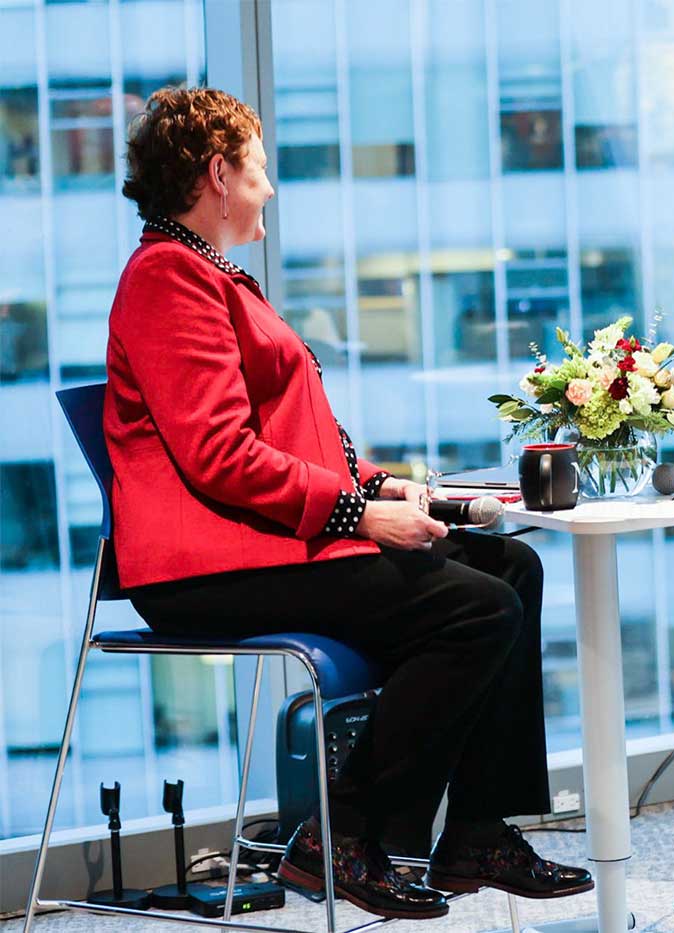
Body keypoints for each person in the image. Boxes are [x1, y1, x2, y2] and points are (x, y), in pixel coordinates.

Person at [105, 87, 591, 920]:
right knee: (474, 611)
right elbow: (220, 456)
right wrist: (359, 515)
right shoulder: (166, 281)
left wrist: (376, 486)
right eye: (259, 168)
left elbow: (282, 438)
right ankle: (343, 833)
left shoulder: (208, 274)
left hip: (259, 539)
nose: (269, 186)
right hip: (205, 566)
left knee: (511, 562)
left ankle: (476, 829)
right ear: (218, 174)